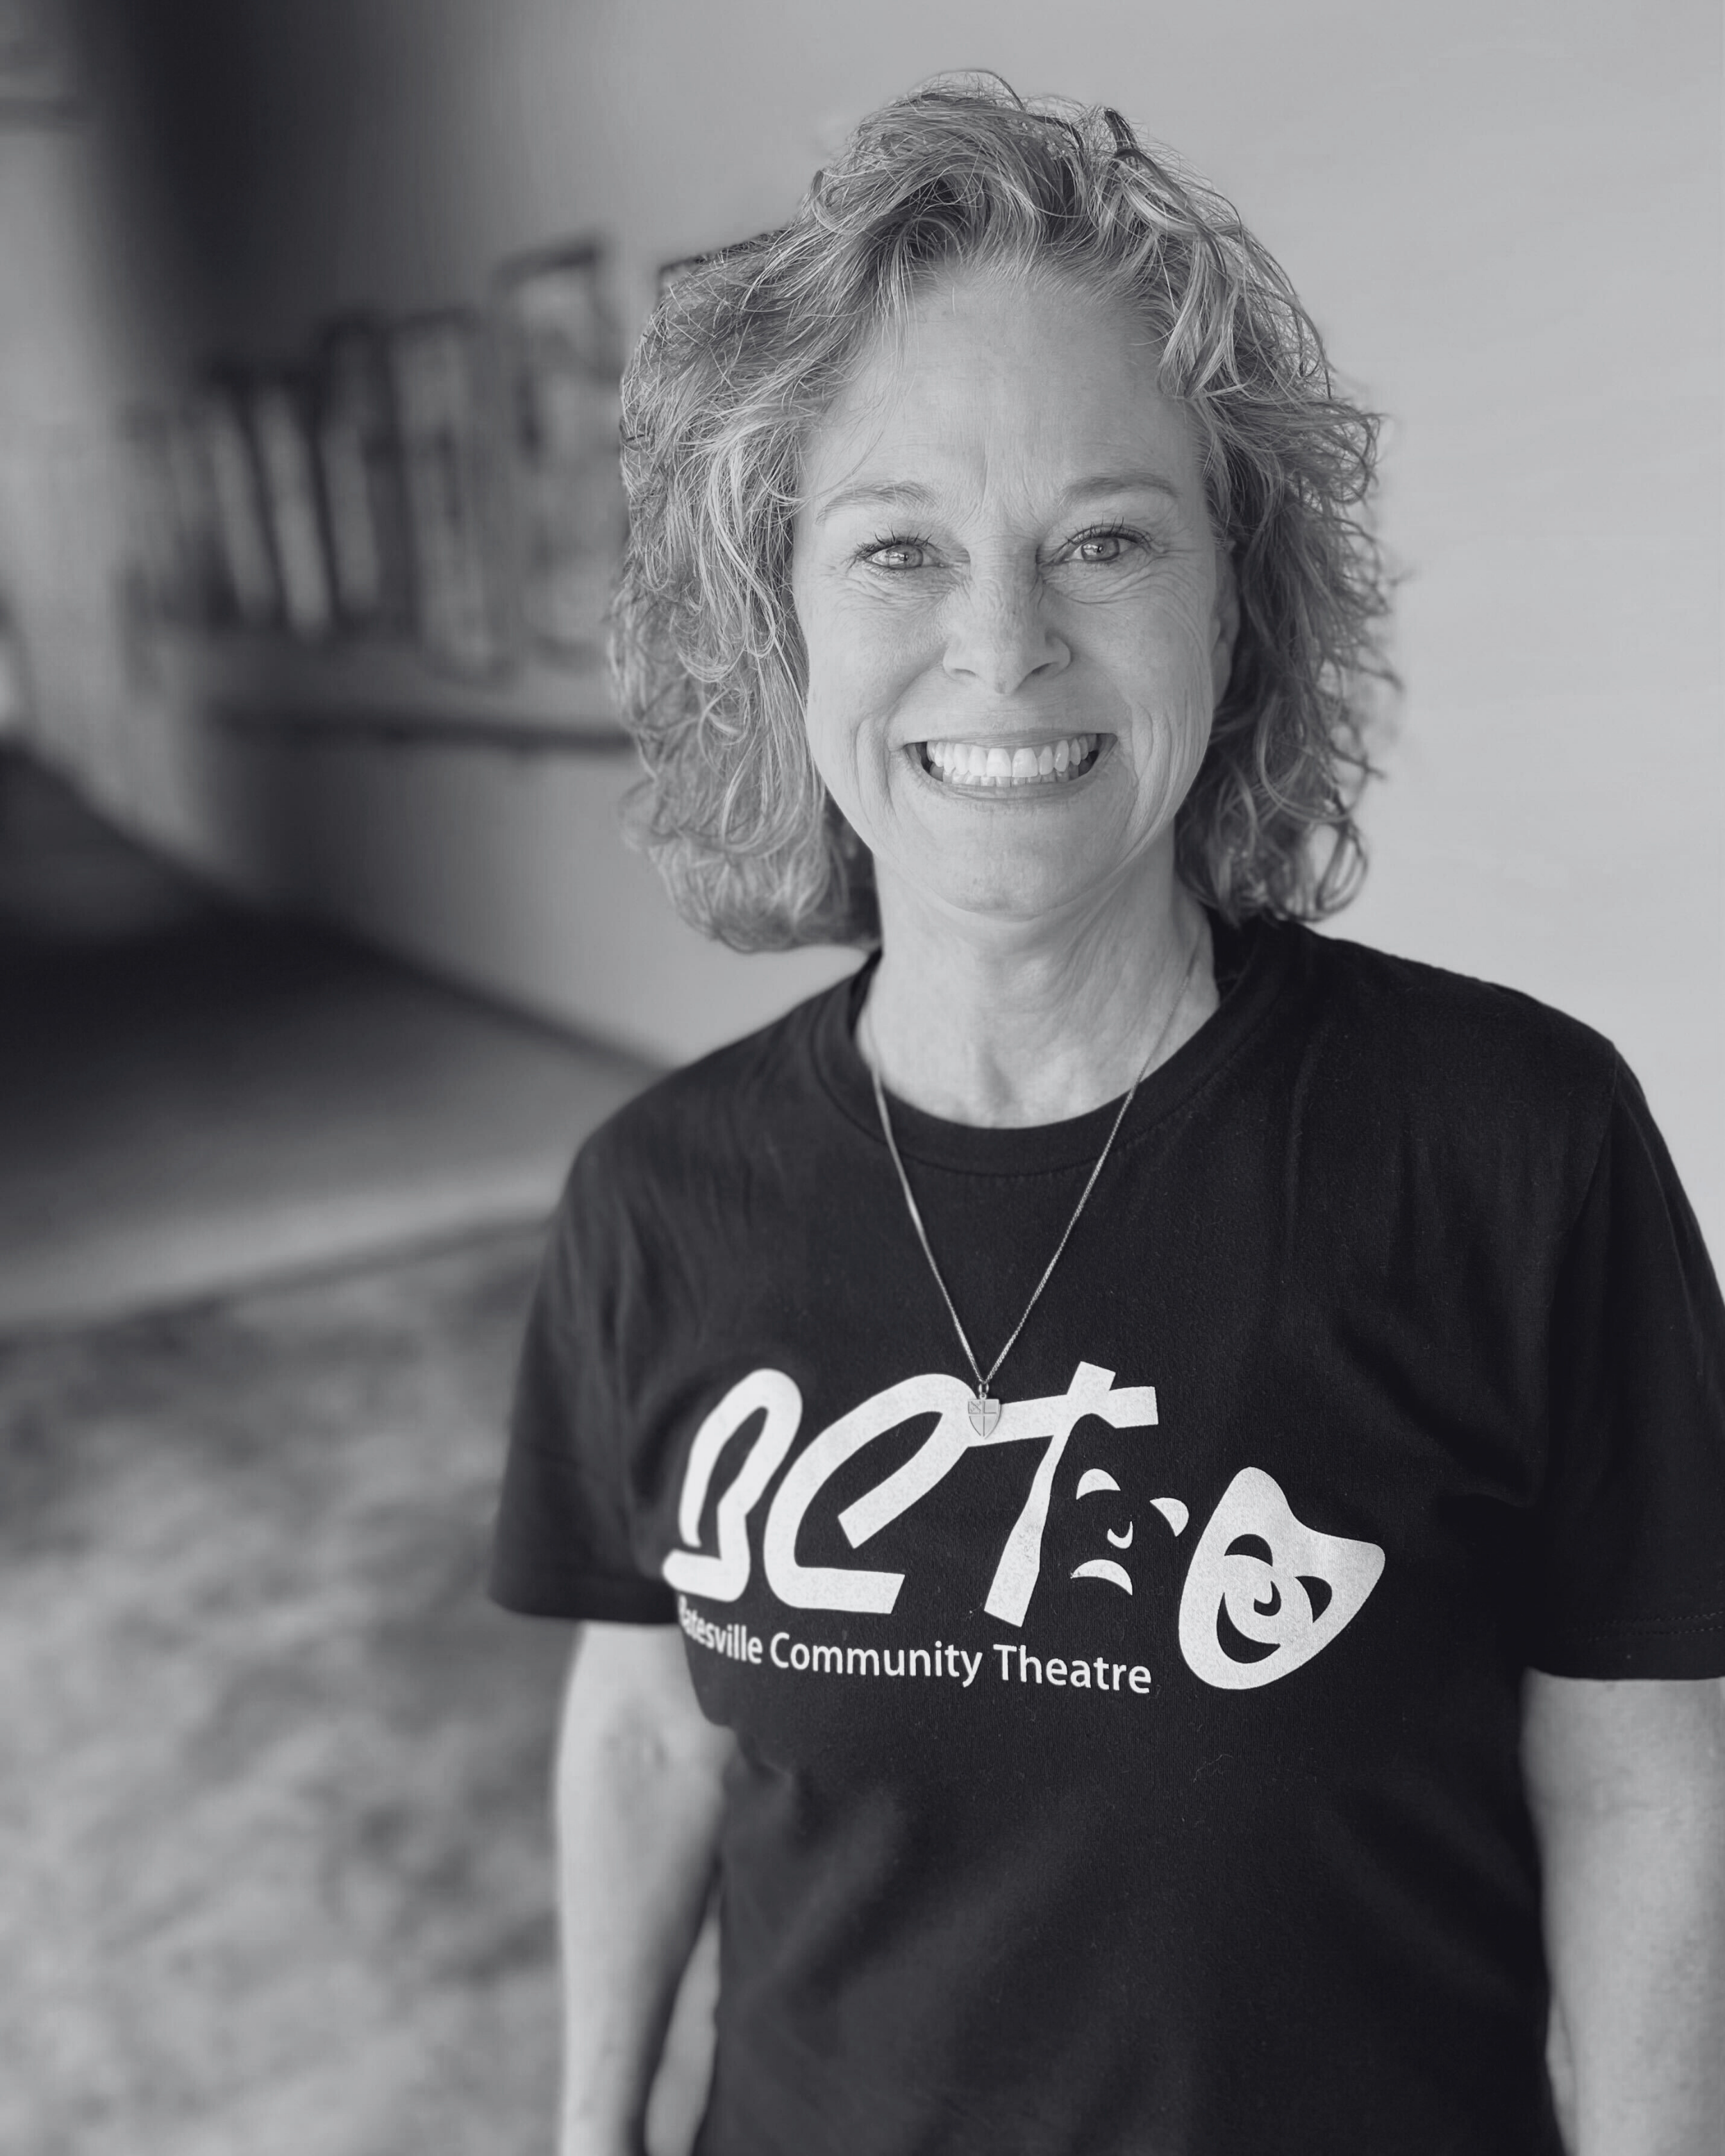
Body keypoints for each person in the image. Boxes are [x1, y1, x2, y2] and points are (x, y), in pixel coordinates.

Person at [488, 76, 1725, 2156]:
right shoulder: (655, 1201)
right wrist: (587, 2129)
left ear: (1232, 609)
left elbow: (1635, 1765)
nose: (1001, 645)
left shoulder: (1509, 1147)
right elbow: (643, 1721)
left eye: (1104, 538)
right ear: (772, 620)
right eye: (896, 548)